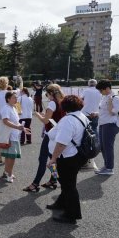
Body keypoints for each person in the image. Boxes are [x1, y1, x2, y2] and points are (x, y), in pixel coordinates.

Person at [46, 95, 89, 224]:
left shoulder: (68, 120)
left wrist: (53, 159)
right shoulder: (82, 116)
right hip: (76, 155)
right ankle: (61, 203)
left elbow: (61, 143)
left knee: (68, 185)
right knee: (67, 182)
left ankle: (72, 215)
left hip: (66, 158)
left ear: (64, 106)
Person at [23, 84, 65, 192]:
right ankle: (53, 179)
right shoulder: (62, 101)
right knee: (53, 160)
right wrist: (44, 115)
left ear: (51, 93)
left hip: (50, 135)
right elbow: (53, 117)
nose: (46, 96)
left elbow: (46, 121)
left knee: (43, 159)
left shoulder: (52, 103)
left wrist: (38, 115)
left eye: (47, 94)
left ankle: (35, 183)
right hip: (58, 134)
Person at [0, 91, 30, 182]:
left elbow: (15, 122)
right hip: (10, 135)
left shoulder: (13, 107)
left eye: (16, 97)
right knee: (11, 156)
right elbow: (5, 121)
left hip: (13, 135)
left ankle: (6, 173)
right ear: (8, 99)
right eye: (14, 98)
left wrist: (22, 128)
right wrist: (17, 127)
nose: (16, 99)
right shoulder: (6, 108)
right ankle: (9, 175)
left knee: (9, 155)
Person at [95, 80, 119, 175]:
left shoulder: (115, 98)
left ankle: (109, 168)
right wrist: (96, 114)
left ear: (106, 88)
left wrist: (110, 102)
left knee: (108, 147)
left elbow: (113, 112)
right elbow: (103, 111)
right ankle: (107, 166)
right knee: (102, 146)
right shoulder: (105, 97)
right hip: (103, 124)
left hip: (110, 125)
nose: (100, 92)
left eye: (100, 90)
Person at [80, 79, 102, 170]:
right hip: (96, 112)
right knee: (94, 129)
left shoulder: (85, 90)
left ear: (88, 84)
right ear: (96, 84)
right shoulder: (99, 91)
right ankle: (97, 145)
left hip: (85, 113)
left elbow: (80, 99)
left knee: (85, 131)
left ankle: (86, 146)